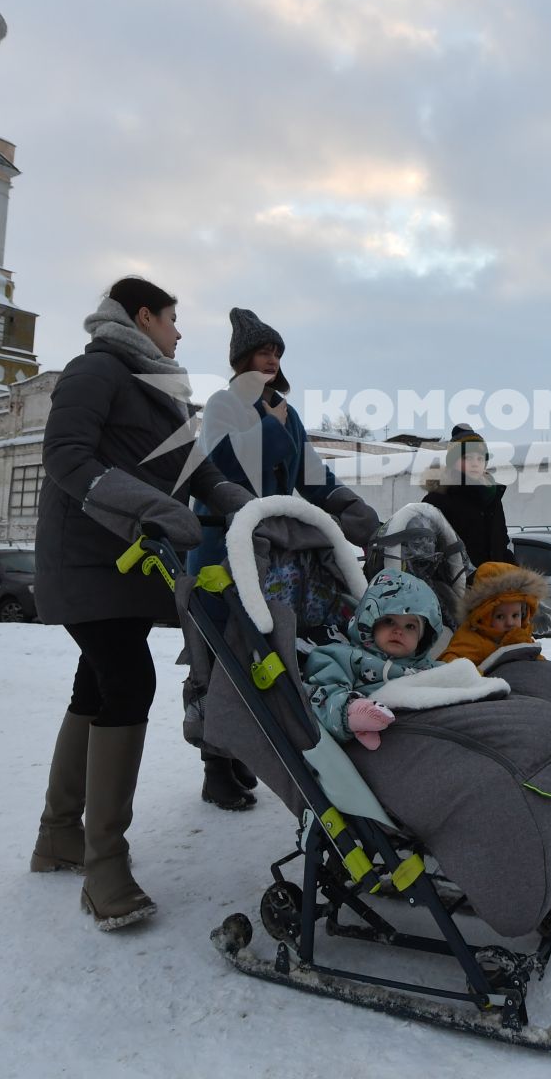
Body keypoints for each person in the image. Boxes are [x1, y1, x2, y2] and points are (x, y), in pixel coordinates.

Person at [31, 276, 252, 932]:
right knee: (128, 678)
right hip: (87, 559)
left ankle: (58, 836)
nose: (180, 334)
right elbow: (65, 457)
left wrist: (252, 508)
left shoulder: (159, 389)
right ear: (144, 315)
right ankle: (104, 869)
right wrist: (151, 508)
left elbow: (199, 473)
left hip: (129, 564)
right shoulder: (96, 370)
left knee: (96, 685)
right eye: (173, 320)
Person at [188, 308, 382, 807]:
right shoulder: (222, 404)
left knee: (269, 655)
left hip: (276, 553)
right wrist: (271, 427)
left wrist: (347, 507)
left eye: (277, 351)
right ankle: (215, 764)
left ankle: (248, 748)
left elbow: (313, 477)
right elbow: (220, 469)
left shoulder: (286, 414)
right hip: (223, 550)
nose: (272, 358)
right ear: (241, 359)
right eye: (263, 350)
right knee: (222, 655)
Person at [299, 569, 448, 750]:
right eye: (389, 621)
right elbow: (321, 693)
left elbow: (452, 681)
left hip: (432, 728)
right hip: (381, 737)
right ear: (371, 621)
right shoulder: (343, 656)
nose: (399, 631)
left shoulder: (429, 667)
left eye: (410, 626)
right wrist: (351, 711)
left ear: (422, 638)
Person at [421, 424, 513, 568]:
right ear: (452, 462)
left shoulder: (493, 498)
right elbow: (425, 552)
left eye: (480, 458)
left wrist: (515, 572)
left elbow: (502, 546)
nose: (475, 464)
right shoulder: (437, 500)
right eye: (467, 458)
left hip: (495, 584)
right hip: (457, 587)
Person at [440, 560, 548, 667]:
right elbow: (450, 662)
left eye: (515, 615)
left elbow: (535, 660)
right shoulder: (473, 640)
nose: (510, 623)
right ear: (484, 616)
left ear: (524, 615)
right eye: (500, 616)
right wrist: (475, 677)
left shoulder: (522, 636)